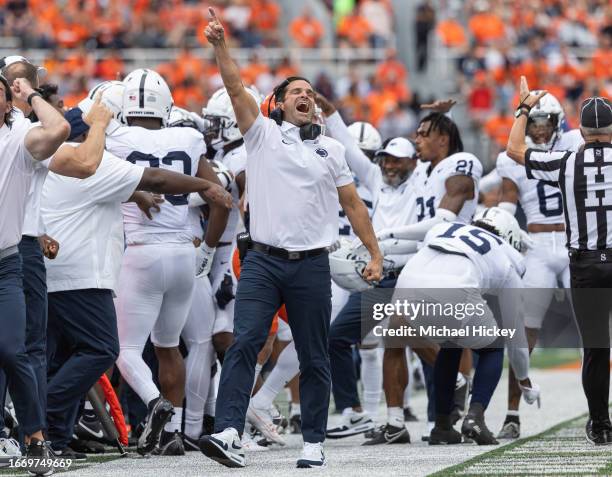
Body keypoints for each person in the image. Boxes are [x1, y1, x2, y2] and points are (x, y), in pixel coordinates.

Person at [199, 8, 383, 469]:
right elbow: (236, 89)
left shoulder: (332, 148)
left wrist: (374, 252)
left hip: (312, 263)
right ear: (278, 104)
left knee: (314, 353)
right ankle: (226, 432)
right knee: (245, 343)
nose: (306, 97)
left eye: (309, 93)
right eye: (295, 92)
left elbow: (354, 205)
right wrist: (221, 46)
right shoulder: (261, 134)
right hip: (262, 259)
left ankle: (314, 441)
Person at [41, 104, 232, 458]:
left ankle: (55, 433)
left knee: (88, 352)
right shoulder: (90, 161)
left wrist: (135, 193)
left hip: (113, 261)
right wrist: (207, 185)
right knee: (143, 347)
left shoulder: (57, 157)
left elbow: (125, 183)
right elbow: (154, 179)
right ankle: (179, 427)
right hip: (162, 258)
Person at [107, 68, 229, 456]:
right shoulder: (189, 137)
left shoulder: (114, 137)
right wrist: (208, 252)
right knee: (168, 347)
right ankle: (173, 431)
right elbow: (219, 195)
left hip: (140, 251)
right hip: (183, 254)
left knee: (125, 349)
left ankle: (154, 403)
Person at [506, 76, 612, 445]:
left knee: (596, 348)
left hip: (584, 264)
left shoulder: (566, 162)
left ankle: (600, 423)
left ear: (580, 130)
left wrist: (523, 109)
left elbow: (514, 150)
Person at [390, 207, 540, 445]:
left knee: (452, 342)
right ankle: (475, 418)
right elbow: (516, 339)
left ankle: (441, 427)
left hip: (405, 289)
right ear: (509, 237)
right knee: (493, 344)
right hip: (454, 289)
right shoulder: (506, 256)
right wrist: (524, 380)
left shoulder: (444, 228)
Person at [495, 92, 583, 439]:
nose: (540, 130)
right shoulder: (511, 157)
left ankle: (599, 410)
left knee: (593, 328)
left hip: (575, 241)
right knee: (524, 331)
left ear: (558, 121)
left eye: (545, 123)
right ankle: (513, 414)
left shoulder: (576, 141)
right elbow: (506, 201)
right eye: (533, 124)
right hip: (536, 244)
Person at [0, 72, 69, 475]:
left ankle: (35, 437)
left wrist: (30, 94)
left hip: (6, 263)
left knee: (12, 349)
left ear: (9, 104)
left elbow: (59, 128)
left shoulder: (17, 141)